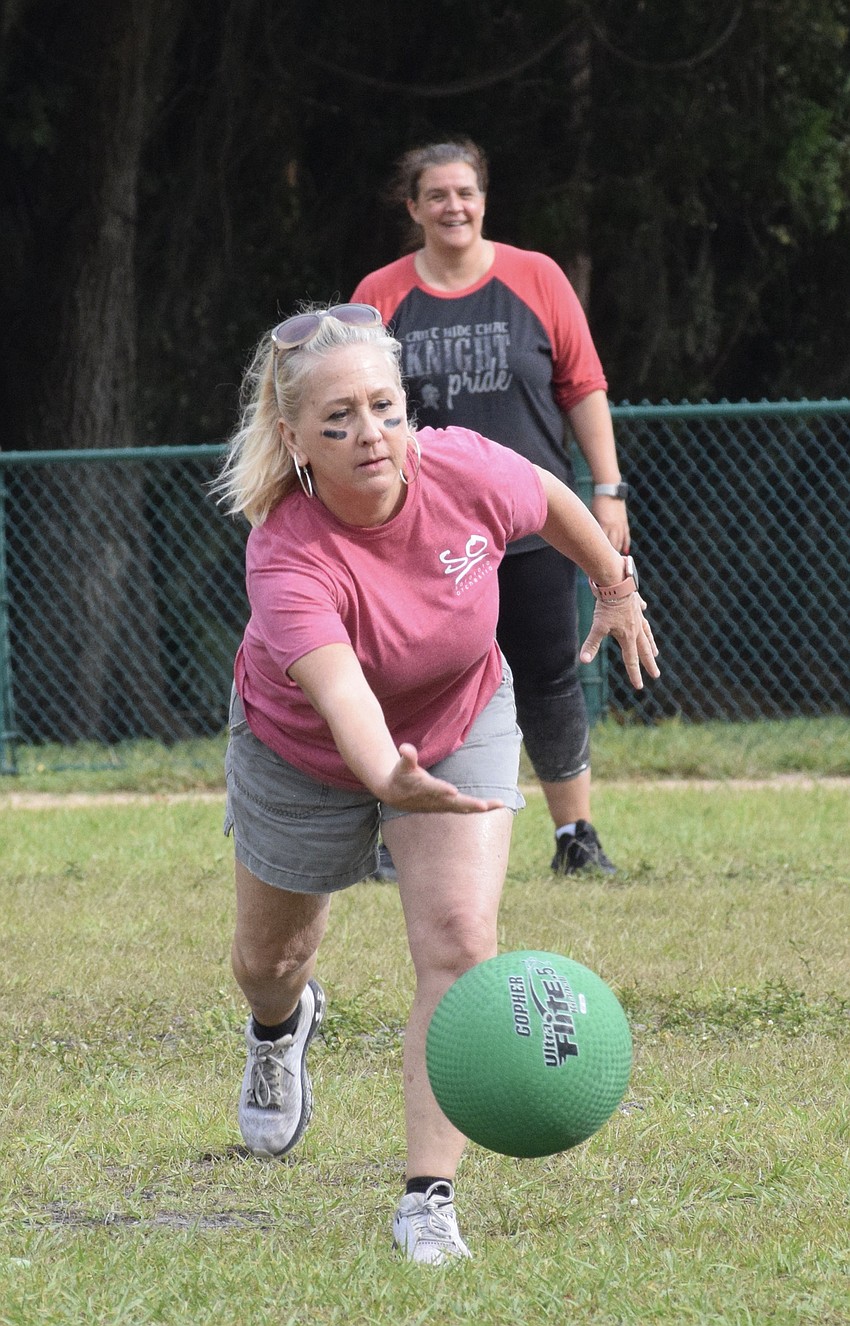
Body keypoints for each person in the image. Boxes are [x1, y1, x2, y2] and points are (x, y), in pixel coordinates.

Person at [214, 302, 658, 1265]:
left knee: (459, 945)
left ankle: (426, 1199)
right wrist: (386, 777)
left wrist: (615, 586)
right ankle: (279, 1030)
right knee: (267, 961)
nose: (369, 435)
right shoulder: (287, 555)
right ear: (294, 440)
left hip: (459, 716)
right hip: (308, 752)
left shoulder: (460, 467)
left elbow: (547, 494)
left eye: (383, 406)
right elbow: (343, 701)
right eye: (337, 421)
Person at [352, 137, 630, 880]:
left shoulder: (536, 277)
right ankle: (390, 834)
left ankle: (576, 835)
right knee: (407, 678)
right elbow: (347, 397)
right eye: (436, 195)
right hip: (420, 532)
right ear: (412, 207)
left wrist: (606, 488)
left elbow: (583, 385)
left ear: (484, 199)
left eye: (466, 192)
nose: (454, 207)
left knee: (548, 674)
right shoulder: (380, 294)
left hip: (533, 526)